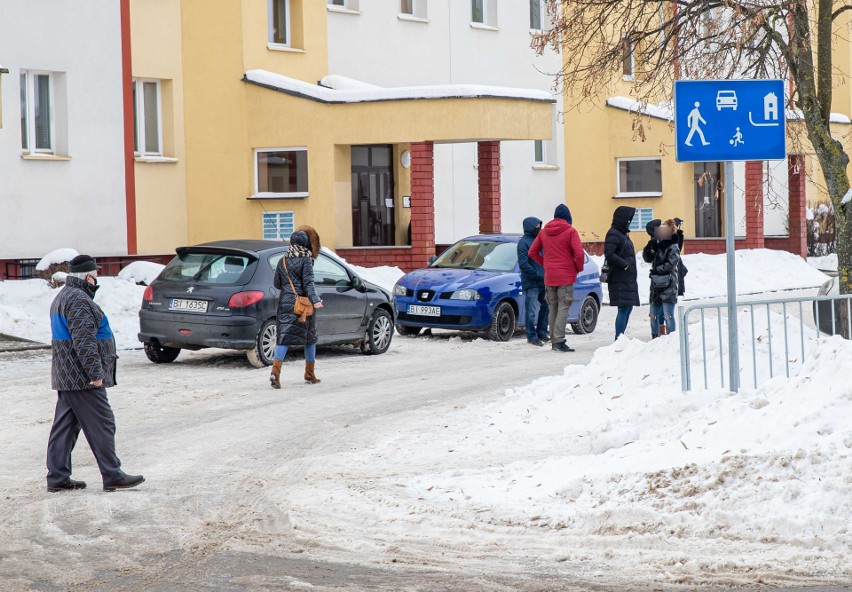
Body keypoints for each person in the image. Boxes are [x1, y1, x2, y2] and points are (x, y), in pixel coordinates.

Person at [47, 255, 144, 492]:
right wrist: (95, 373)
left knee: (65, 426)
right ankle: (112, 474)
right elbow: (84, 341)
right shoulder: (79, 300)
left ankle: (58, 477)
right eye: (95, 274)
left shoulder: (63, 296)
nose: (97, 279)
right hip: (81, 377)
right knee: (102, 422)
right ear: (88, 276)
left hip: (67, 374)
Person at [271, 229, 324, 389]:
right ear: (306, 244)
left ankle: (275, 373)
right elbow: (308, 284)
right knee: (310, 338)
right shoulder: (306, 260)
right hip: (302, 305)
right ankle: (309, 374)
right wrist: (315, 300)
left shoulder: (283, 261)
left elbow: (277, 284)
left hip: (285, 303)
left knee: (284, 338)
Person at [529, 204, 585, 353]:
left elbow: (532, 252)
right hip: (565, 276)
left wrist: (546, 264)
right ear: (568, 218)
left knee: (552, 307)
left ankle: (554, 340)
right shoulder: (571, 231)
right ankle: (559, 340)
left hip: (550, 277)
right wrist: (577, 268)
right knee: (564, 306)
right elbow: (579, 254)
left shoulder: (544, 232)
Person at [604, 206, 640, 340]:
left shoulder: (622, 233)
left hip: (627, 278)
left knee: (628, 308)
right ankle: (619, 338)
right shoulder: (614, 233)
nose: (630, 221)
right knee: (623, 308)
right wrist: (624, 264)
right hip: (619, 278)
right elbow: (609, 253)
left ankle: (621, 338)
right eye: (629, 218)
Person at [642, 219, 682, 338]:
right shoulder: (657, 244)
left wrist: (657, 270)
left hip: (668, 284)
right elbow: (648, 258)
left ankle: (672, 339)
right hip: (656, 284)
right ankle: (655, 337)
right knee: (653, 315)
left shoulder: (673, 246)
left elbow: (671, 264)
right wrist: (649, 247)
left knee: (668, 315)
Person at [517, 217, 549, 346]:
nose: (539, 228)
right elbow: (523, 264)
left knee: (546, 306)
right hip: (532, 282)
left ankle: (542, 332)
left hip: (544, 281)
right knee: (530, 310)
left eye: (539, 225)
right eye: (536, 226)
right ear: (530, 227)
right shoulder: (523, 243)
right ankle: (531, 336)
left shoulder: (540, 239)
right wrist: (537, 274)